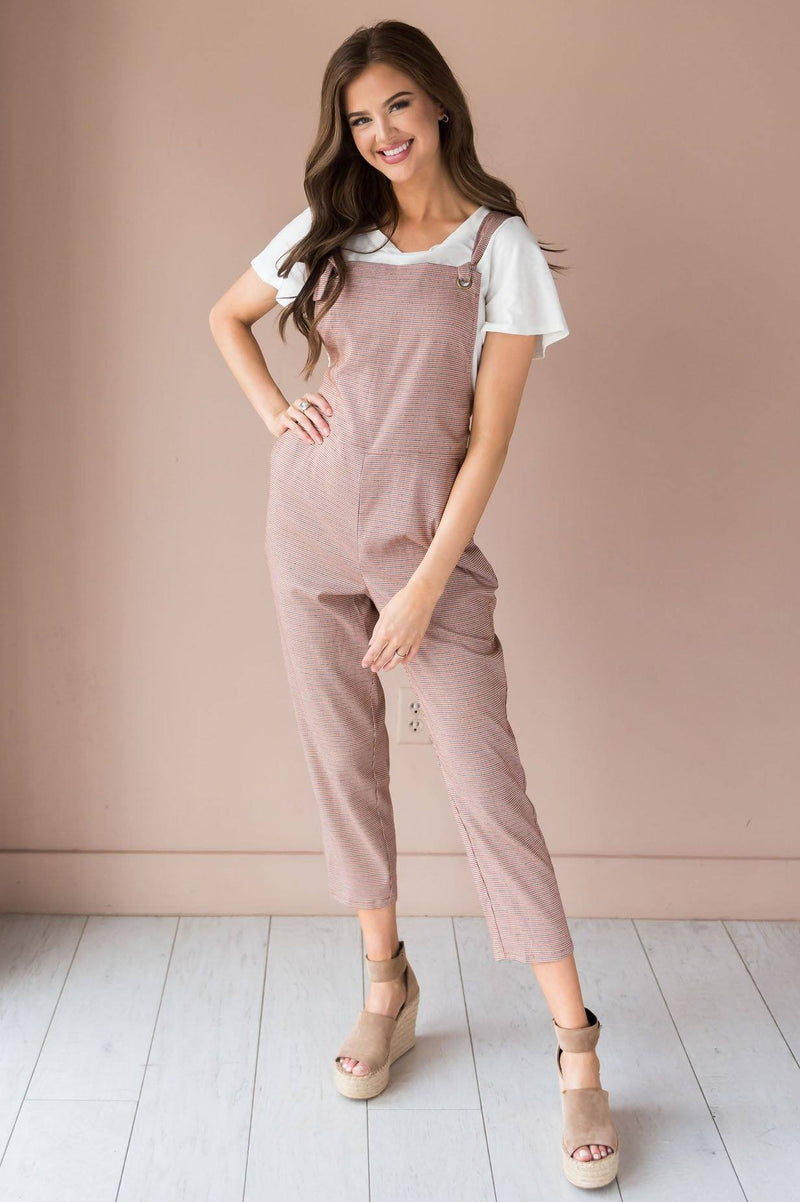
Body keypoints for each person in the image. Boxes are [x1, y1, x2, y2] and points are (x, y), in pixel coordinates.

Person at [209, 19, 619, 1188]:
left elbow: (487, 439)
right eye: (357, 119)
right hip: (306, 532)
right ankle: (385, 985)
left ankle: (577, 1052)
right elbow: (226, 315)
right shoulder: (330, 229)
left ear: (436, 102)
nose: (380, 132)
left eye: (395, 104)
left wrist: (426, 584)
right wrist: (276, 414)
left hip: (421, 556)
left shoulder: (498, 246)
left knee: (488, 789)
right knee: (344, 763)